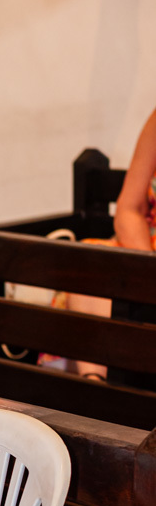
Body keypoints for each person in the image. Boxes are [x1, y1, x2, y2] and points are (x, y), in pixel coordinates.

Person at [58, 108, 156, 378]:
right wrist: (147, 269)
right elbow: (128, 209)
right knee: (89, 262)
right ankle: (94, 385)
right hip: (145, 250)